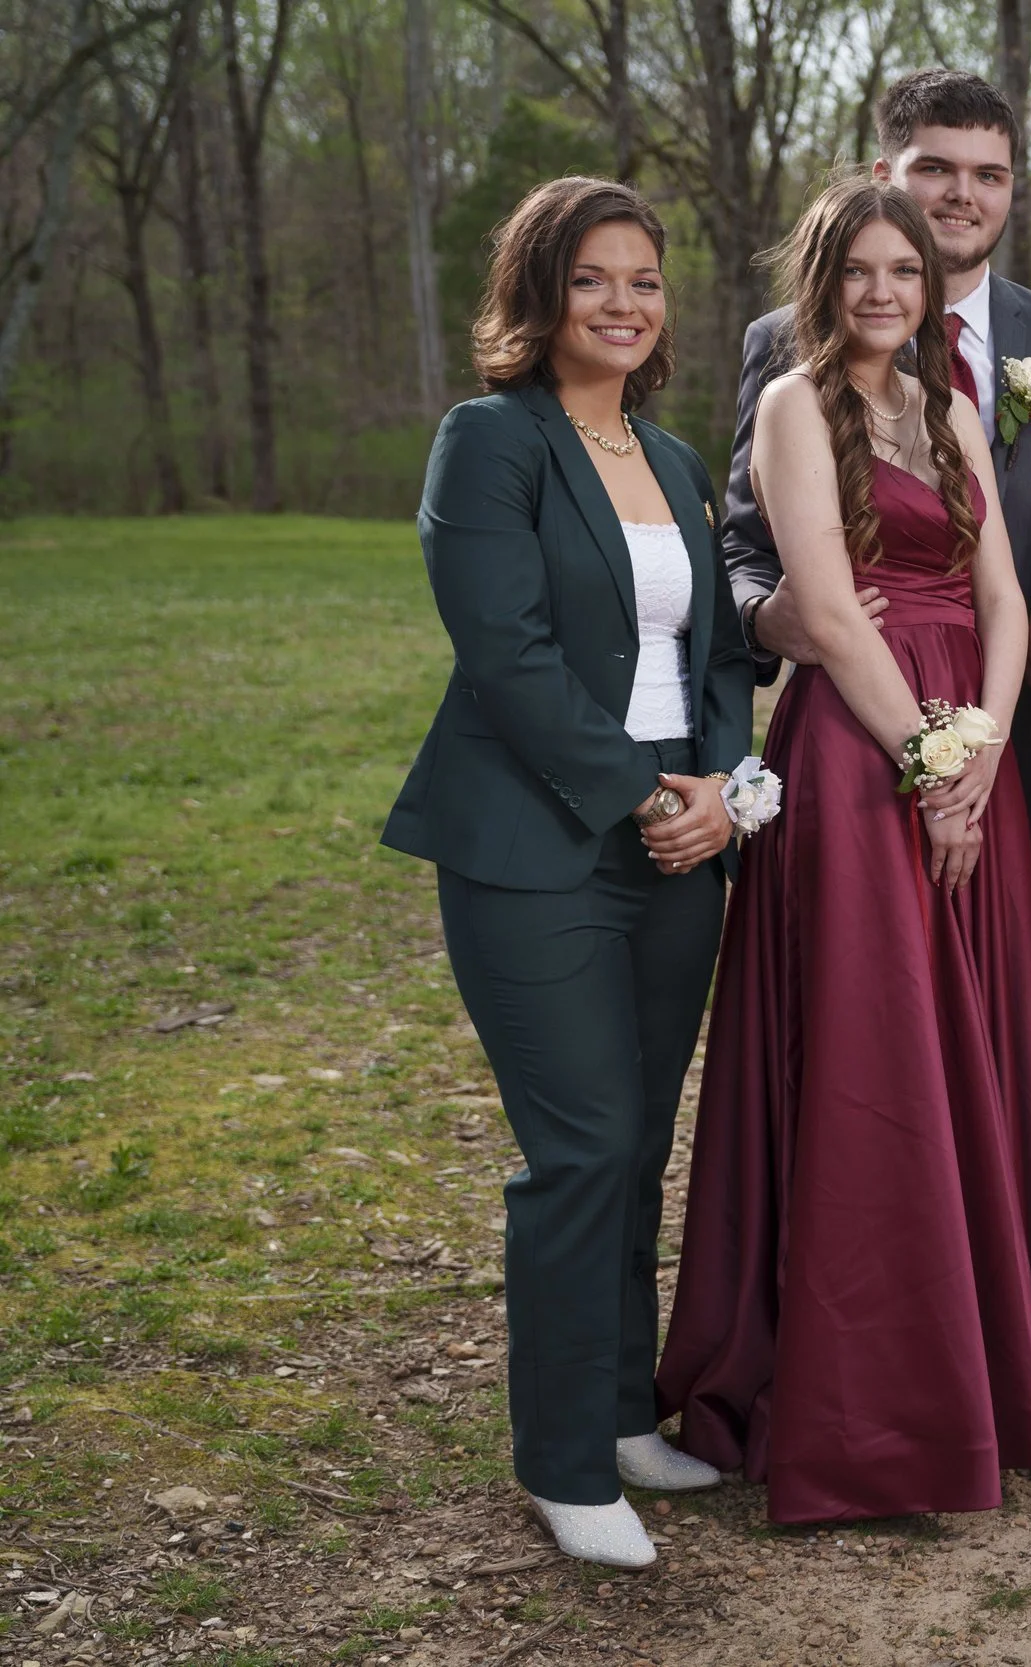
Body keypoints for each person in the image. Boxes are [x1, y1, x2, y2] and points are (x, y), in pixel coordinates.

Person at [655, 177, 1031, 1524]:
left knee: (965, 1047)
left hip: (970, 745)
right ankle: (867, 1409)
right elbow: (827, 614)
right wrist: (928, 763)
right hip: (860, 749)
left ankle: (977, 1379)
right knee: (872, 1053)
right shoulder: (792, 405)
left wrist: (986, 742)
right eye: (859, 269)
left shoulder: (953, 409)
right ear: (822, 282)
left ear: (929, 285)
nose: (883, 291)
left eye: (904, 270)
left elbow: (1005, 594)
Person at [380, 177, 752, 1569]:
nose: (622, 302)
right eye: (592, 277)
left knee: (641, 1138)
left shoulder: (675, 456)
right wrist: (640, 789)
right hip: (537, 842)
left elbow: (719, 656)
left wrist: (720, 788)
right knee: (582, 1145)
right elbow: (508, 650)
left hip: (677, 841)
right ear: (539, 293)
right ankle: (559, 1462)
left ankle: (618, 1414)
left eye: (643, 279)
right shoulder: (489, 441)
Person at [721, 69, 1031, 902]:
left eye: (989, 174)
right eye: (936, 168)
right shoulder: (785, 358)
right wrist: (762, 616)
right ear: (885, 174)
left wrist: (992, 738)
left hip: (1012, 734)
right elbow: (749, 543)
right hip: (862, 715)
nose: (964, 195)